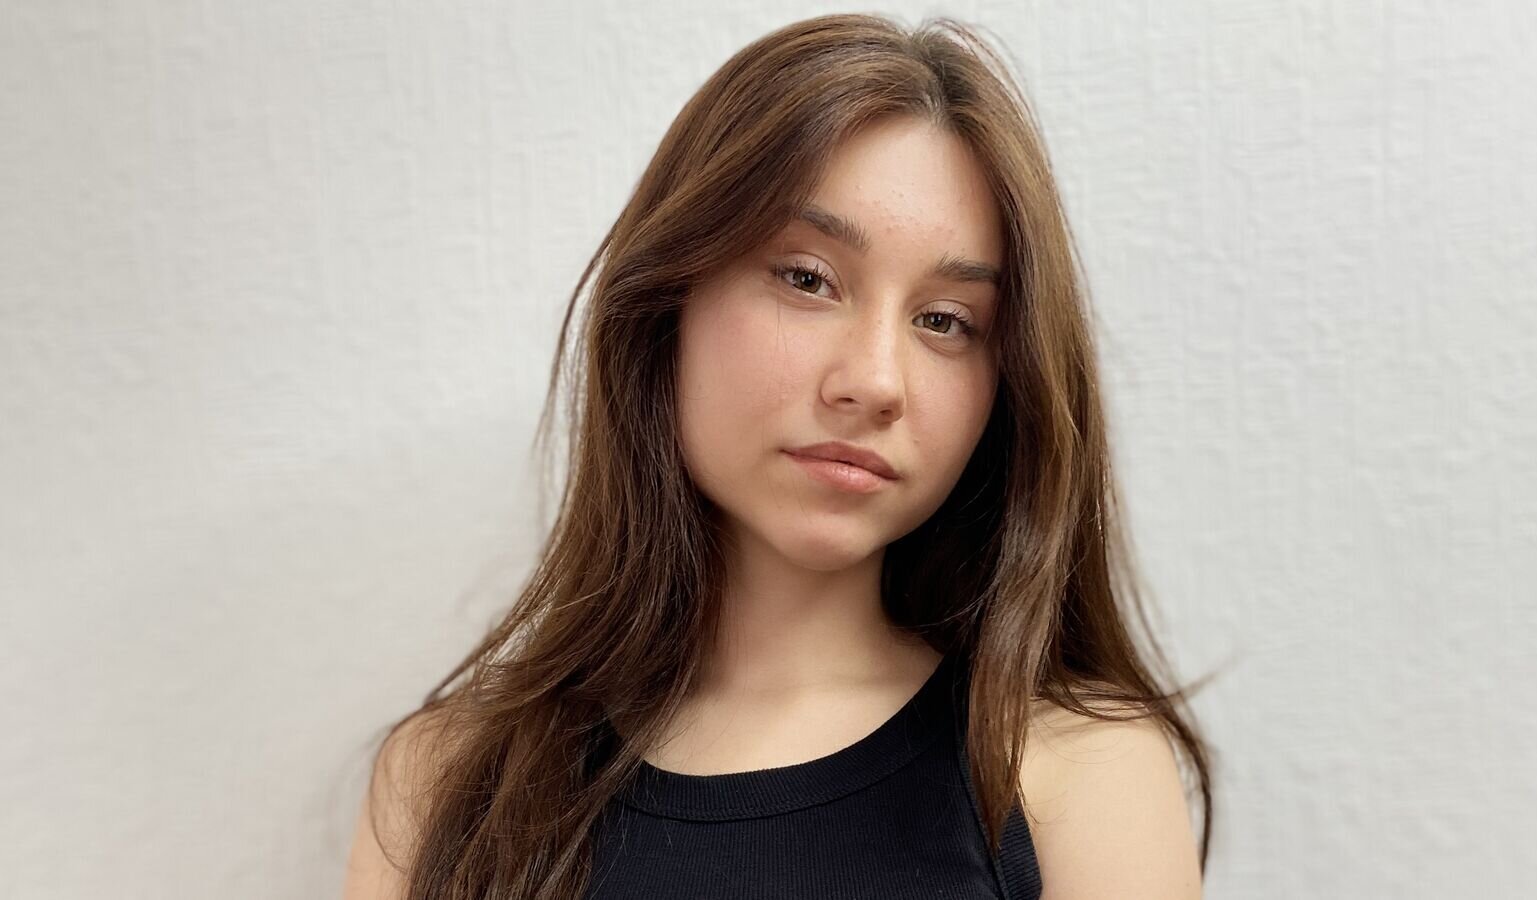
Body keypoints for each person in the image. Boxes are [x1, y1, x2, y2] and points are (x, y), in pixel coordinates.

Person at [342, 13, 1214, 900]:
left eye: (945, 321)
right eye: (807, 278)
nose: (875, 381)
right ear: (667, 304)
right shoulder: (446, 785)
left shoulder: (1075, 776)